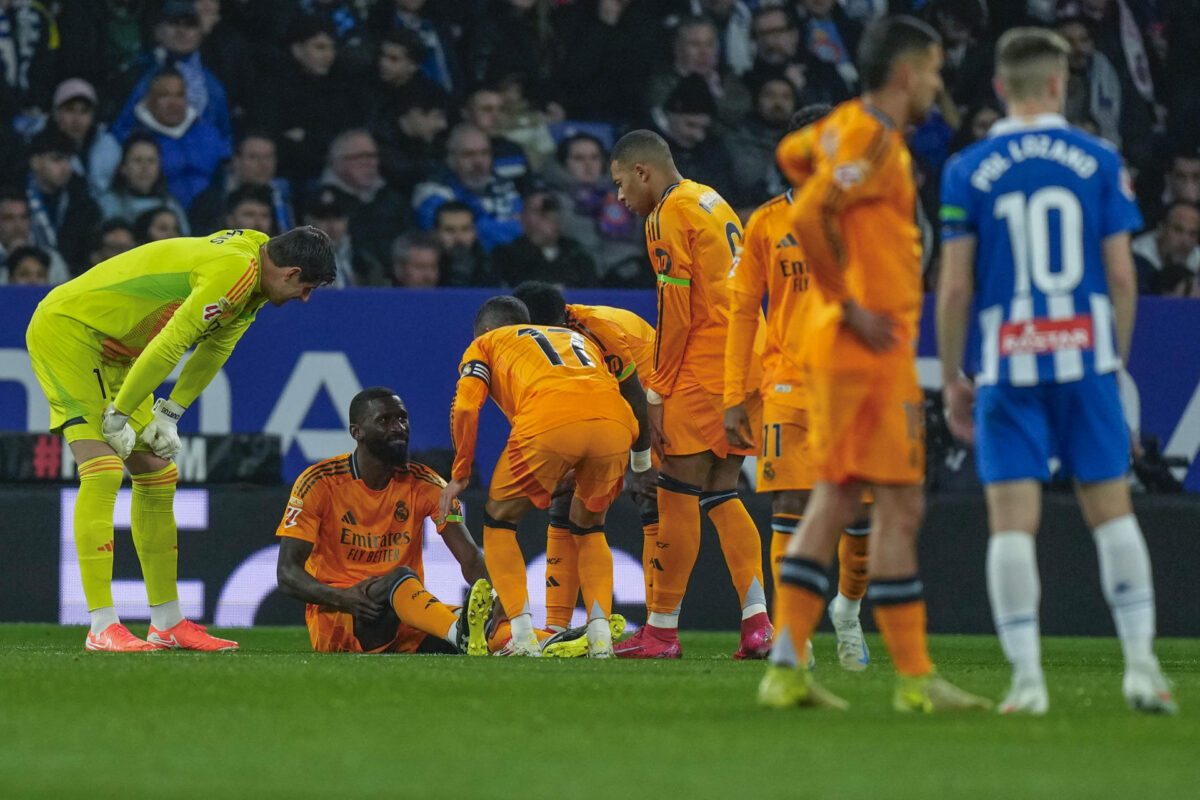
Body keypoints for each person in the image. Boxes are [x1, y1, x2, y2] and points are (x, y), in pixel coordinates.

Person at [938, 27, 1176, 715]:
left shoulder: (968, 169)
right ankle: (1139, 668)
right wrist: (1115, 363)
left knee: (1012, 523)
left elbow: (954, 290)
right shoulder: (1098, 159)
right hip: (1087, 358)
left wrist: (955, 375)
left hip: (1009, 363)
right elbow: (1123, 277)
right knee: (1111, 512)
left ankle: (1028, 682)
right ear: (1059, 84)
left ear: (1000, 88)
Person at [762, 15, 987, 712]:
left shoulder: (843, 130)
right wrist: (846, 298)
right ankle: (912, 681)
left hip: (859, 348)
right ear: (905, 72)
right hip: (867, 345)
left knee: (844, 498)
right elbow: (806, 213)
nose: (938, 86)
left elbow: (792, 156)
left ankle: (789, 668)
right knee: (893, 503)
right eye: (934, 71)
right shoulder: (872, 136)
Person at [25, 226, 336, 652]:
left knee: (157, 473)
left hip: (119, 352)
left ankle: (167, 621)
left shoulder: (255, 280)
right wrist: (119, 414)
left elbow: (214, 350)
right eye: (307, 287)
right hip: (71, 332)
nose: (305, 298)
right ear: (291, 271)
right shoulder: (235, 269)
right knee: (102, 470)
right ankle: (100, 625)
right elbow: (174, 341)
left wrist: (169, 414)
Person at [608, 129, 772, 659]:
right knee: (724, 491)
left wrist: (656, 390)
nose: (619, 199)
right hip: (749, 359)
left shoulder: (666, 215)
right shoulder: (711, 199)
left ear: (642, 172)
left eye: (619, 184)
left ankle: (660, 631)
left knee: (676, 489)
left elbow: (675, 314)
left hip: (704, 364)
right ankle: (757, 625)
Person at [725, 102, 871, 673]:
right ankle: (794, 634)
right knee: (789, 503)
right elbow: (741, 310)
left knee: (859, 515)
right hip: (786, 381)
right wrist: (735, 392)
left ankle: (849, 612)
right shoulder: (764, 223)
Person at [437, 296, 641, 657]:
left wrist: (460, 474)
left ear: (485, 329)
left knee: (498, 520)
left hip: (550, 421)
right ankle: (600, 637)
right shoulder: (574, 338)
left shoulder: (486, 342)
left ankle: (521, 635)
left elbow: (467, 405)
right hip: (617, 423)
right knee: (590, 526)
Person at [276, 386, 494, 655]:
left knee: (488, 631)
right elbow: (287, 574)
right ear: (357, 432)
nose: (398, 427)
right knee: (402, 576)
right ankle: (457, 632)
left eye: (402, 418)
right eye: (384, 420)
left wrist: (495, 603)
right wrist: (344, 598)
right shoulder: (319, 482)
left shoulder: (426, 484)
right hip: (345, 619)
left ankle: (545, 641)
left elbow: (470, 557)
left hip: (405, 619)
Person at [509, 281, 653, 631]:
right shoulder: (523, 345)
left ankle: (659, 627)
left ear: (563, 320)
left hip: (654, 391)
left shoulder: (597, 333)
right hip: (597, 404)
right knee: (562, 503)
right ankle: (556, 628)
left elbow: (634, 398)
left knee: (646, 502)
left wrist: (641, 464)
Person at [491, 190, 597, 288]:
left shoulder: (577, 255)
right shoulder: (505, 257)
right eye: (538, 211)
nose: (547, 216)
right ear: (523, 218)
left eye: (551, 209)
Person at [96, 131, 190, 236]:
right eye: (137, 160)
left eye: (151, 161)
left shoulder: (171, 205)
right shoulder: (106, 204)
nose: (145, 168)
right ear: (123, 167)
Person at [1132, 201, 1200, 293]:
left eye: (1193, 234)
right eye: (1178, 230)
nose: (1185, 241)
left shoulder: (1198, 258)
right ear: (1162, 228)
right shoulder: (1136, 255)